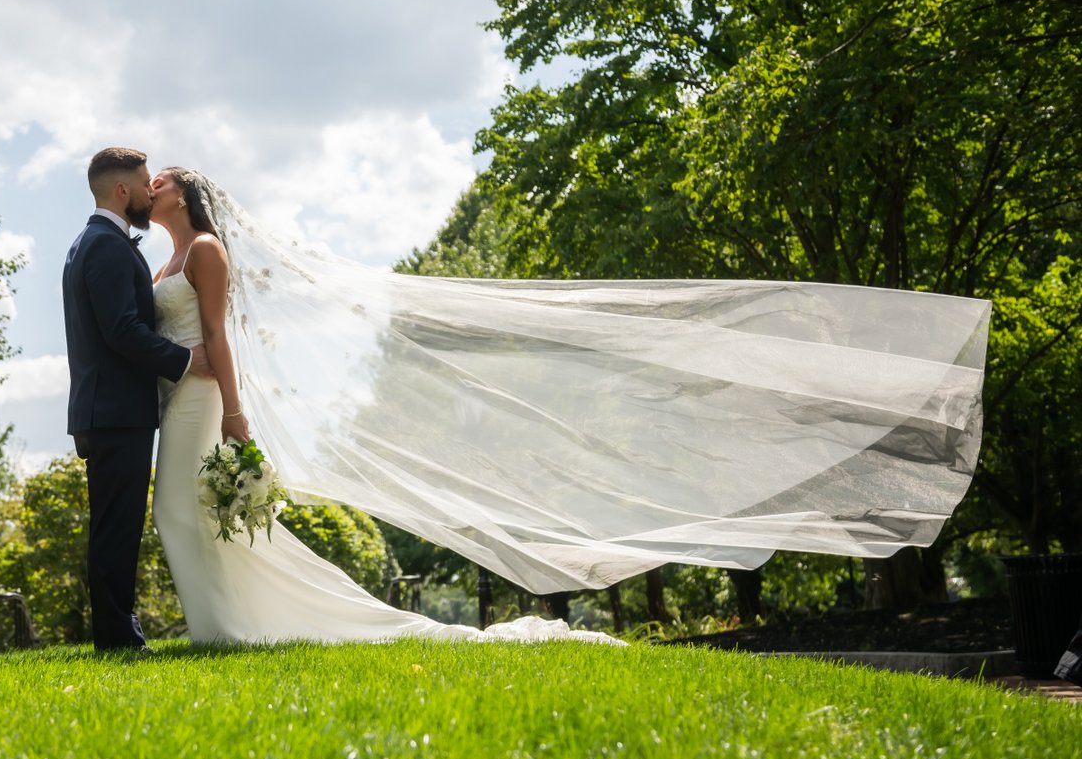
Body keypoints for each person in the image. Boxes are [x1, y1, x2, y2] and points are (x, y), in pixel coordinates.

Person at [146, 168, 990, 645]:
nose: (150, 185)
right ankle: (223, 621)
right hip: (173, 401)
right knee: (184, 519)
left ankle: (227, 628)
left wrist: (240, 416)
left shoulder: (210, 250)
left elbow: (222, 337)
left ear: (184, 196)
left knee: (189, 516)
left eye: (161, 180)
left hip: (206, 401)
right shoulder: (164, 256)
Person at [62, 148, 210, 652]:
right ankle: (118, 637)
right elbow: (121, 330)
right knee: (116, 528)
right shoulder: (105, 245)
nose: (152, 191)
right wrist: (187, 361)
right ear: (122, 191)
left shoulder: (96, 241)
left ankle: (117, 631)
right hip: (115, 411)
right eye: (146, 183)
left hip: (110, 409)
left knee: (116, 524)